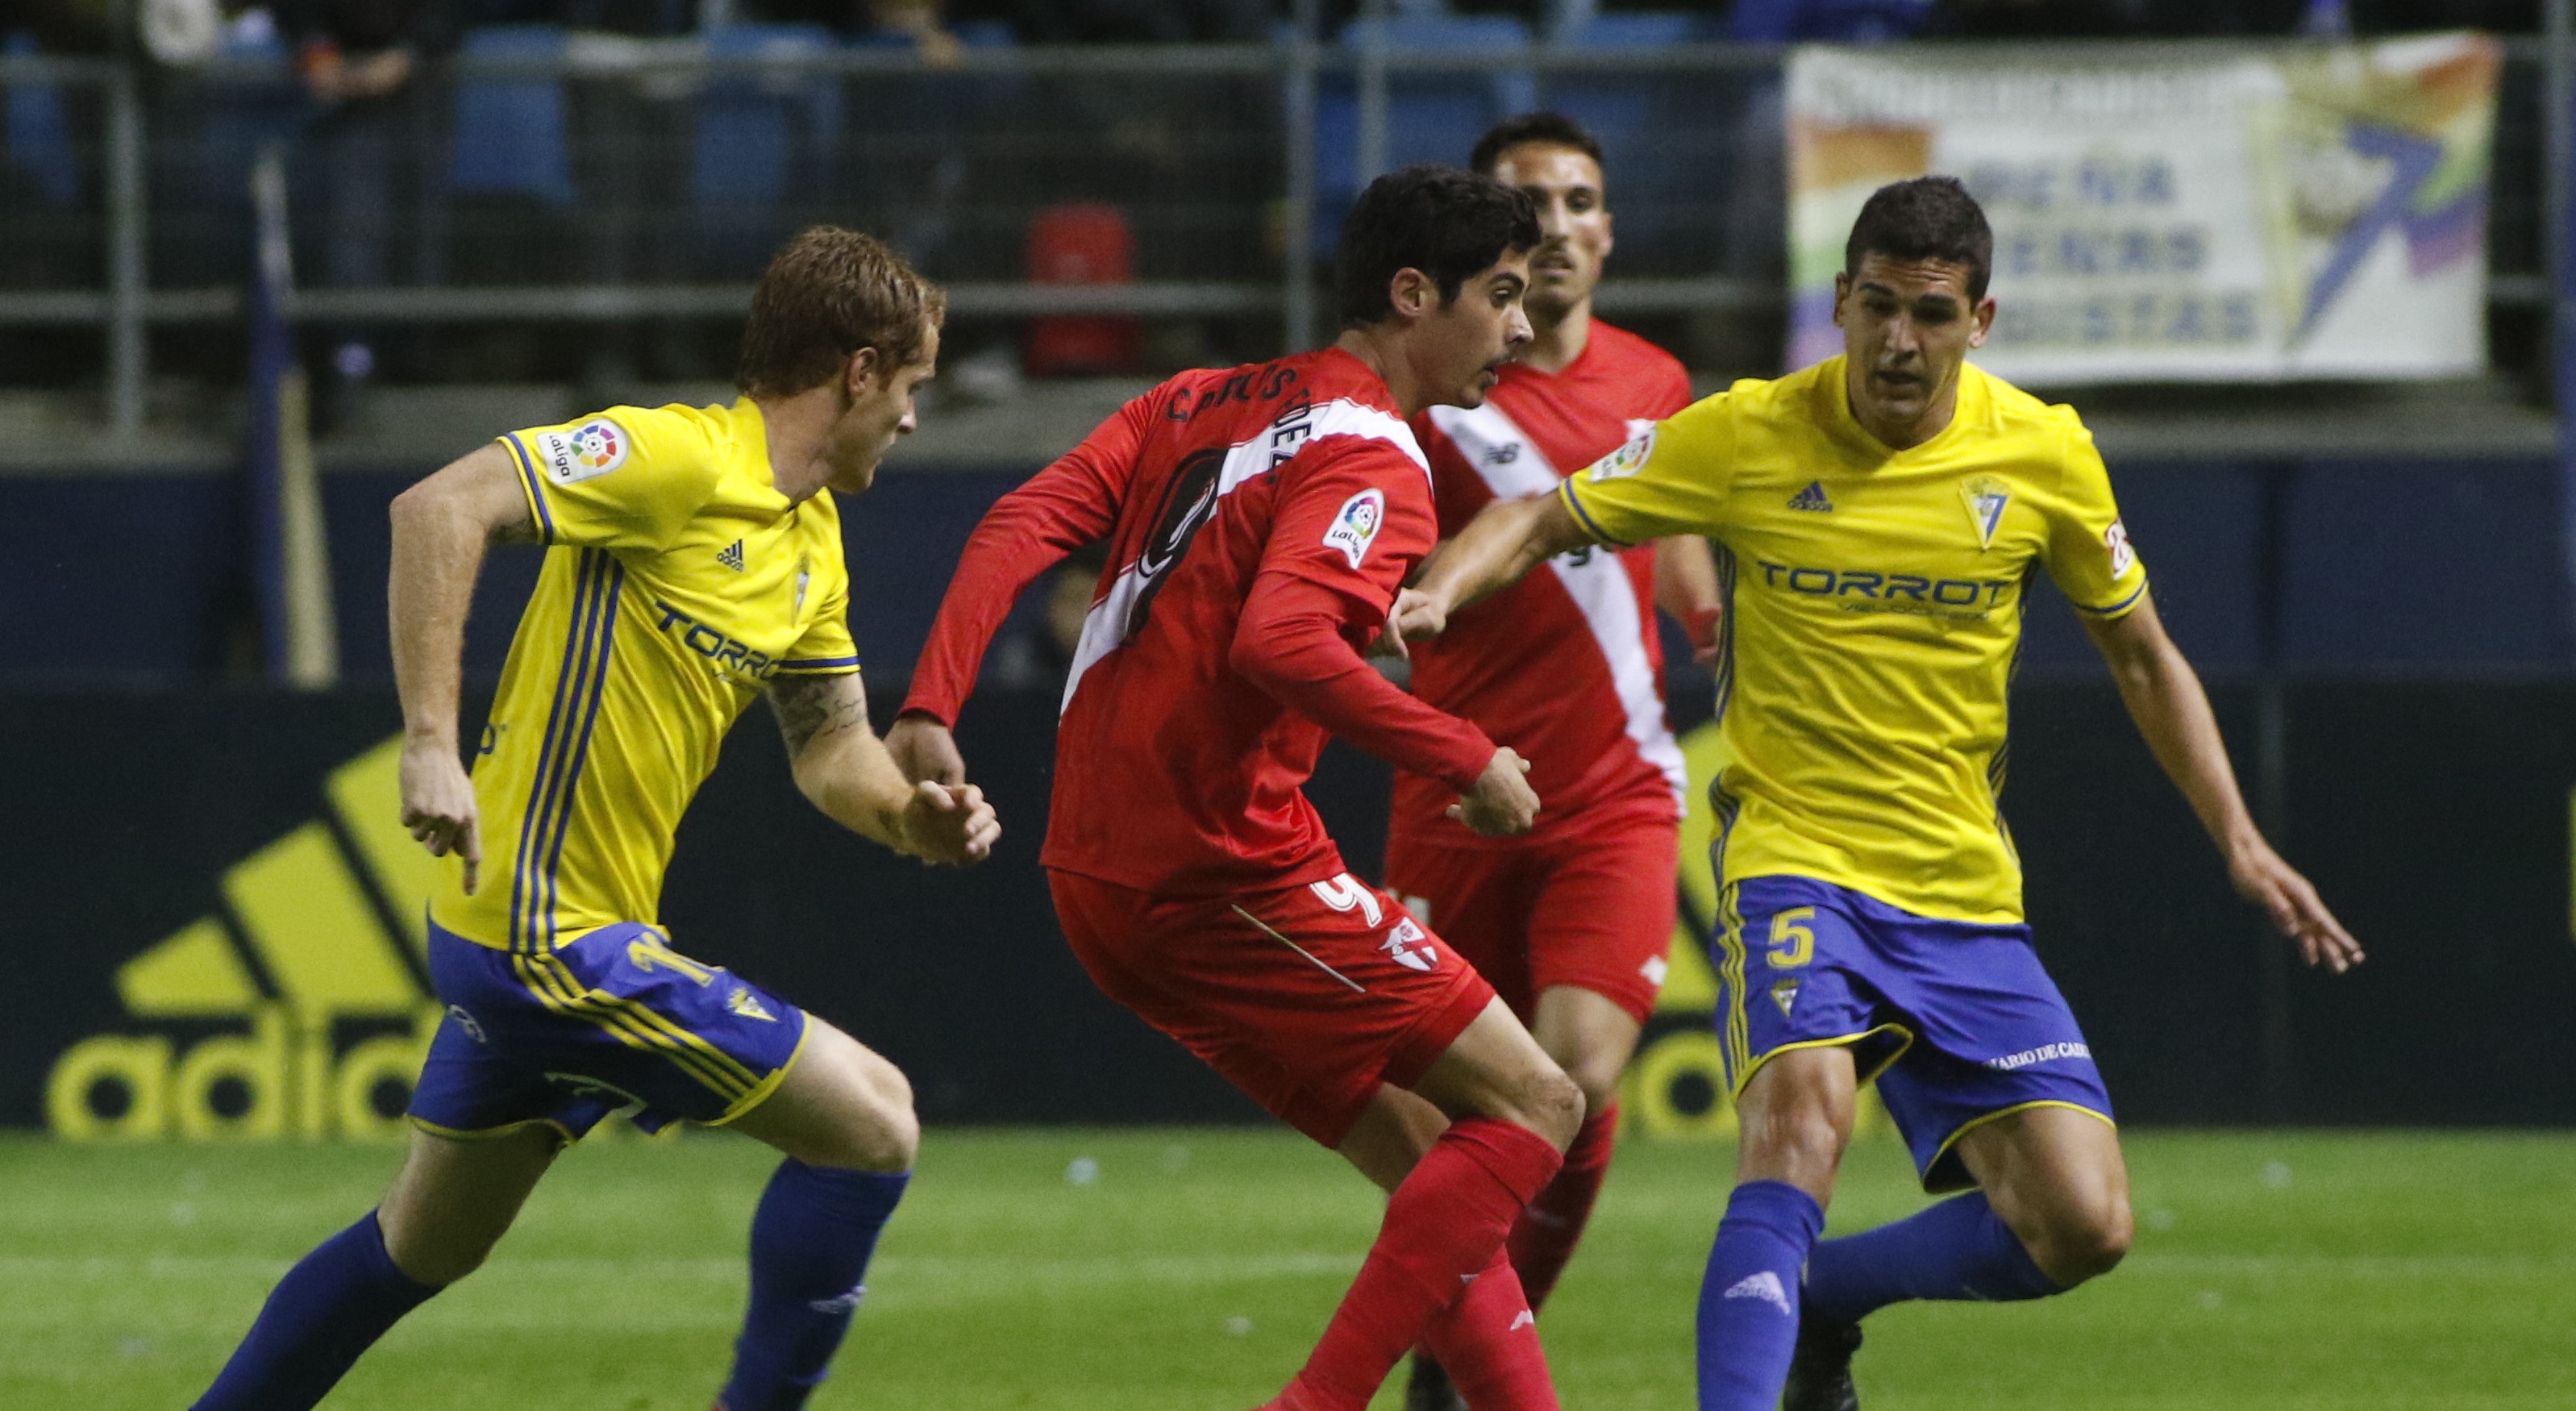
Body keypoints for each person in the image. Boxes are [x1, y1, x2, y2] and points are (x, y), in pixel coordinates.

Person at [1392, 176, 2362, 1411]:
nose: (1903, 342)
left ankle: (1822, 1299)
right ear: (1841, 301)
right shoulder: (1747, 432)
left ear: (1983, 319)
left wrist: (2239, 836)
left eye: (1935, 314)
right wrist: (1435, 592)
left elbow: (2142, 652)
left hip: (1961, 889)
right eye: (1881, 308)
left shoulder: (2043, 452)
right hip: (1796, 859)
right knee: (1801, 1128)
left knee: (2082, 1222)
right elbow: (1539, 516)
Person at [188, 226, 1000, 1411]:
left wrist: (907, 819)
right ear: (861, 370)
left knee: (421, 1246)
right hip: (539, 932)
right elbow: (438, 509)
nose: (916, 419)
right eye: (915, 385)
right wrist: (428, 742)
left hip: (551, 932)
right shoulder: (673, 457)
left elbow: (831, 747)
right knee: (873, 1121)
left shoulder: (811, 544)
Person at [888, 165, 1581, 1411]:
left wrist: (932, 703)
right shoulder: (1379, 454)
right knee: (1540, 1099)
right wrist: (1464, 756)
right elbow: (1283, 644)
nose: (1522, 329)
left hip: (1095, 872)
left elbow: (1018, 522)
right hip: (1220, 868)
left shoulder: (1197, 400)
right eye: (1503, 295)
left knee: (1433, 1164)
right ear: (1414, 293)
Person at [1390, 111, 1719, 1411]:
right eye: (1528, 203)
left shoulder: (1655, 381)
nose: (1559, 225)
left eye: (1580, 200)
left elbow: (1680, 528)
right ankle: (1463, 1348)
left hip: (1613, 787)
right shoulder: (1432, 395)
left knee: (1577, 1072)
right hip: (1455, 788)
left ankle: (1469, 1364)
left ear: (1609, 230)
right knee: (1438, 1125)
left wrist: (1708, 623)